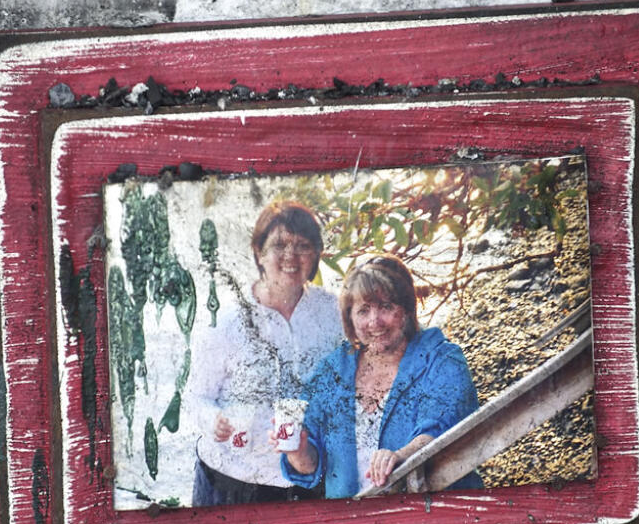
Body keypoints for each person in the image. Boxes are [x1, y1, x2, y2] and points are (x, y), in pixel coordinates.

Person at [281, 255, 483, 498]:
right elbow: (309, 467)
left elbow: (445, 430)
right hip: (352, 523)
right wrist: (297, 449)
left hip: (432, 513)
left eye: (386, 307)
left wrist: (400, 457)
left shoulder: (441, 359)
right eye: (363, 311)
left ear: (407, 311)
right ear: (350, 318)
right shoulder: (332, 370)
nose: (374, 322)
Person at [185, 201, 343, 506]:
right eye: (279, 245)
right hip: (228, 484)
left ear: (316, 255)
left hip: (305, 479)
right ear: (259, 252)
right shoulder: (229, 320)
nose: (291, 256)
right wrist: (212, 420)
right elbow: (194, 396)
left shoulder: (333, 313)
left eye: (303, 246)